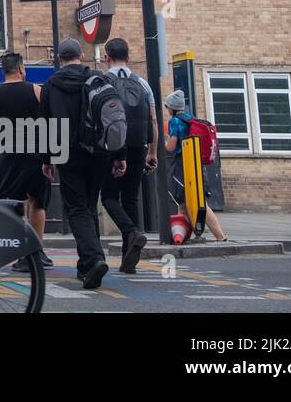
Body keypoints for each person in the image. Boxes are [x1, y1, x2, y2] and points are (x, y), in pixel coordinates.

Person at [39, 37, 123, 290]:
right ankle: (87, 264)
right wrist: (120, 156)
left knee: (76, 208)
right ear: (81, 56)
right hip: (99, 151)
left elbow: (46, 123)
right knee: (88, 204)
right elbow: (117, 117)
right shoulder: (99, 79)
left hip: (68, 153)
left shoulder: (51, 84)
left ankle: (94, 258)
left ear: (58, 58)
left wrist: (47, 159)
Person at [0, 52, 53, 269]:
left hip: (8, 155)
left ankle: (13, 249)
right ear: (22, 69)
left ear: (3, 71)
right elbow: (48, 122)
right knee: (37, 201)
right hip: (35, 154)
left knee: (7, 202)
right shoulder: (36, 90)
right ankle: (36, 252)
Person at [98, 38, 158, 273]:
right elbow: (152, 119)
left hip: (112, 146)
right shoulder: (142, 84)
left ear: (106, 57)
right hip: (138, 145)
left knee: (109, 197)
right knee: (131, 198)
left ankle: (131, 232)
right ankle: (128, 257)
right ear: (129, 57)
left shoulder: (104, 81)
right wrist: (151, 152)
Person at [164, 90, 229, 242]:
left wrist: (164, 143)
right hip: (195, 162)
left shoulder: (175, 122)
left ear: (172, 107)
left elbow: (171, 147)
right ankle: (182, 236)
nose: (166, 109)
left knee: (197, 203)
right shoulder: (189, 118)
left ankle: (220, 236)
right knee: (184, 203)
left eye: (167, 106)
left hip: (182, 165)